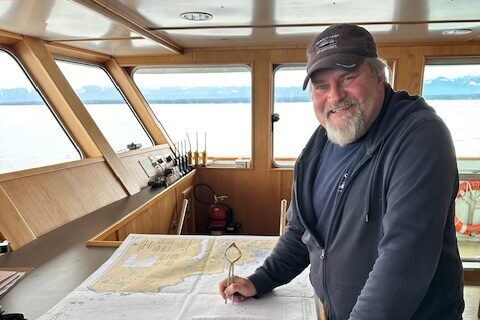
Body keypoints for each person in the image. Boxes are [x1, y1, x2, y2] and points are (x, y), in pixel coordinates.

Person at [218, 24, 464, 320]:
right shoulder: (321, 144)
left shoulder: (420, 136)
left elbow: (405, 255)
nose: (335, 96)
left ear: (378, 75)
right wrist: (261, 280)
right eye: (321, 86)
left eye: (348, 77)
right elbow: (302, 230)